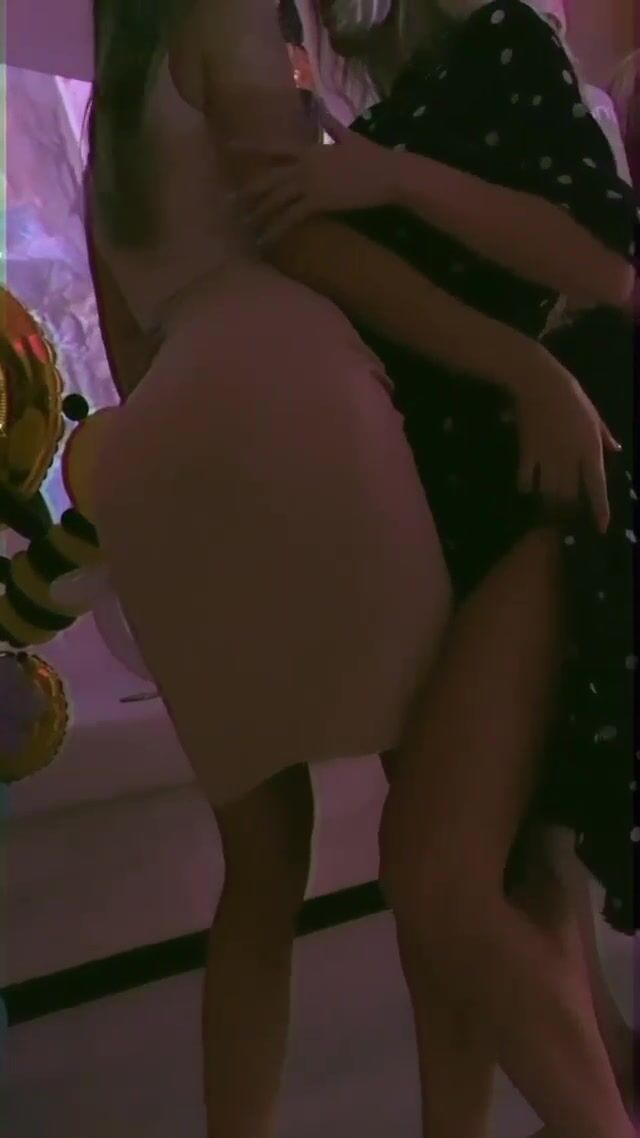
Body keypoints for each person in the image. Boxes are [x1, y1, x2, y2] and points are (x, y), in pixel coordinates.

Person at [83, 3, 605, 1137]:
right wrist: (519, 361)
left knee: (261, 867)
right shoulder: (229, 12)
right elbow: (299, 238)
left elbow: (128, 333)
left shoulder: (117, 82)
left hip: (160, 438)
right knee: (452, 828)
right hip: (296, 398)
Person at [245, 1, 638, 1136]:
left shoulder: (500, 36)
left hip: (559, 476)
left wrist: (393, 180)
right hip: (467, 505)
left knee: (439, 871)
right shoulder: (350, 94)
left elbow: (611, 265)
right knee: (505, 872)